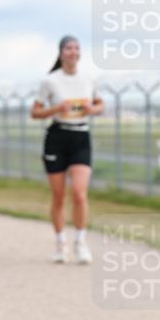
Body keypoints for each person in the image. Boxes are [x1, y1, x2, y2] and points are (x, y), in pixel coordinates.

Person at [30, 35, 104, 264]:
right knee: (59, 195)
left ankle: (80, 242)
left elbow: (101, 104)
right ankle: (61, 242)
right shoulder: (50, 81)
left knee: (80, 193)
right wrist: (56, 108)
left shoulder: (89, 78)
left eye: (77, 48)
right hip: (57, 136)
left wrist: (93, 109)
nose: (73, 52)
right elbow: (35, 112)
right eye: (68, 48)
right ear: (61, 53)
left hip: (81, 135)